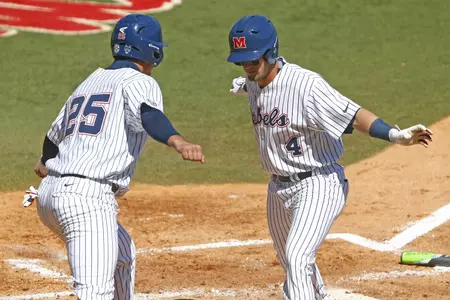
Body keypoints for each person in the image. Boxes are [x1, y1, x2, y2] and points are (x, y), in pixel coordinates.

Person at [226, 15, 433, 300]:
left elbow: (352, 116)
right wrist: (243, 82)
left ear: (271, 51)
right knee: (291, 262)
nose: (247, 66)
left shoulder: (306, 86)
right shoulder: (254, 80)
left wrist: (394, 135)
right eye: (242, 61)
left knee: (298, 256)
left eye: (253, 60)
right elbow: (254, 85)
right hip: (277, 187)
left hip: (319, 183)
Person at [30, 14, 204, 299]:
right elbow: (149, 115)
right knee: (94, 292)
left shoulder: (91, 81)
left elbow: (53, 137)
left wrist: (45, 161)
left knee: (122, 255)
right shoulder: (139, 81)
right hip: (86, 199)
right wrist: (178, 141)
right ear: (152, 50)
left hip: (50, 196)